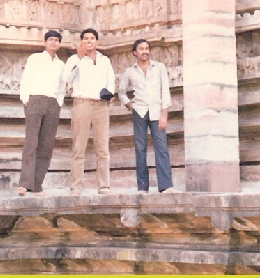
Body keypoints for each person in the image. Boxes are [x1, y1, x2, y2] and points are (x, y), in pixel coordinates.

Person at [118, 39, 179, 194]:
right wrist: (130, 105)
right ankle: (142, 187)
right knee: (140, 149)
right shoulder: (130, 71)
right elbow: (121, 91)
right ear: (135, 52)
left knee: (162, 148)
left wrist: (164, 114)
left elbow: (165, 91)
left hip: (157, 111)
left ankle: (166, 186)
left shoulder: (159, 67)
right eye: (141, 49)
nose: (144, 51)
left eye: (146, 48)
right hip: (139, 111)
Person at [62, 28, 116, 196]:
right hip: (82, 103)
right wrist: (78, 57)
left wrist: (110, 94)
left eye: (92, 38)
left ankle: (104, 186)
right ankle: (76, 187)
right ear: (82, 41)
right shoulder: (74, 59)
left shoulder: (104, 60)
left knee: (103, 148)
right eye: (86, 38)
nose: (89, 41)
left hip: (101, 105)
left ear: (97, 41)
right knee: (79, 147)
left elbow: (111, 80)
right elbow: (66, 79)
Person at [17, 30, 66, 196]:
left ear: (59, 44)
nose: (54, 43)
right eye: (51, 40)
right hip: (35, 100)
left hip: (52, 103)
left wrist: (59, 102)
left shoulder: (61, 65)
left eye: (57, 40)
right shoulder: (35, 58)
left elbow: (62, 86)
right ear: (45, 42)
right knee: (31, 143)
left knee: (46, 145)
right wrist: (26, 99)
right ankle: (25, 184)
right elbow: (26, 78)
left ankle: (37, 184)